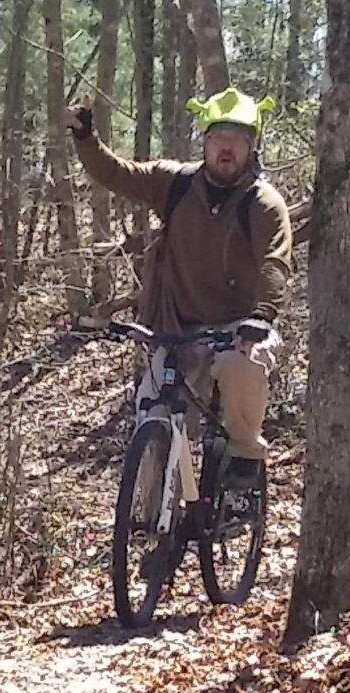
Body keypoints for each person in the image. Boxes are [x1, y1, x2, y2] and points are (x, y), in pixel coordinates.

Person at [64, 88, 294, 489]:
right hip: (175, 327)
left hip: (239, 328)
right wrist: (87, 139)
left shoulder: (264, 202)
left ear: (250, 147)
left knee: (245, 365)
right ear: (204, 143)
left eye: (237, 140)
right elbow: (116, 173)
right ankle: (152, 530)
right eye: (219, 138)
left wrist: (261, 317)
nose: (227, 148)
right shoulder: (175, 184)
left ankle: (243, 464)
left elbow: (275, 260)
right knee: (152, 423)